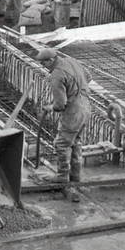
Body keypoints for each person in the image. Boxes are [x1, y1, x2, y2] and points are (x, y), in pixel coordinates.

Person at [37, 47, 90, 187]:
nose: (43, 66)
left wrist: (50, 107)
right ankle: (76, 174)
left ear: (51, 60)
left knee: (62, 144)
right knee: (76, 141)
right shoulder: (72, 61)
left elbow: (60, 103)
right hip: (86, 107)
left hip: (73, 112)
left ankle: (62, 175)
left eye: (44, 63)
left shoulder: (56, 75)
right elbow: (88, 76)